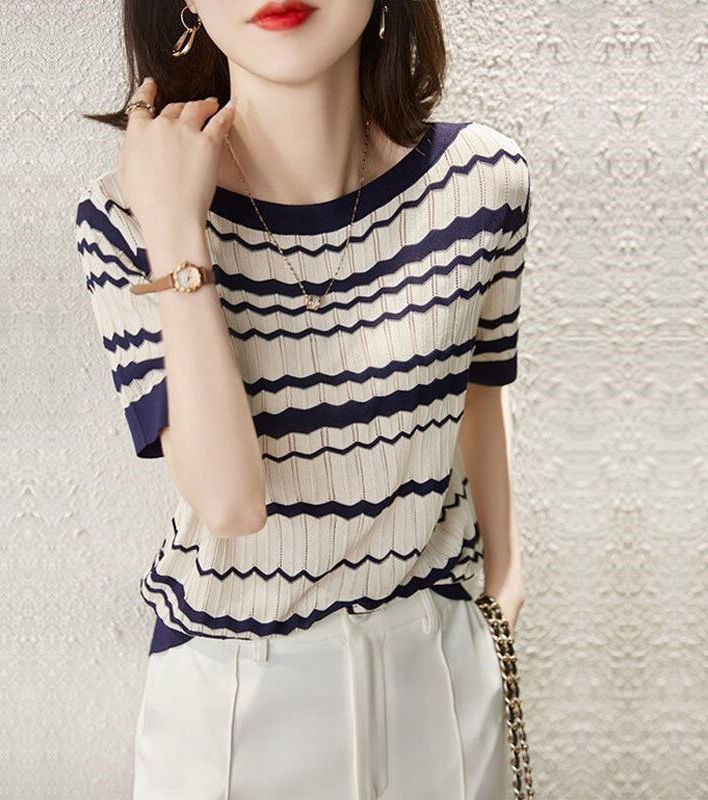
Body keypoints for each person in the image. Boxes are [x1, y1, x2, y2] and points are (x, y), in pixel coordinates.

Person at [74, 1, 533, 797]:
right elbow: (230, 501)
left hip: (439, 684)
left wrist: (503, 592)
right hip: (234, 707)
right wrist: (176, 230)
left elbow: (477, 402)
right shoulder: (124, 220)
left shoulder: (482, 183)